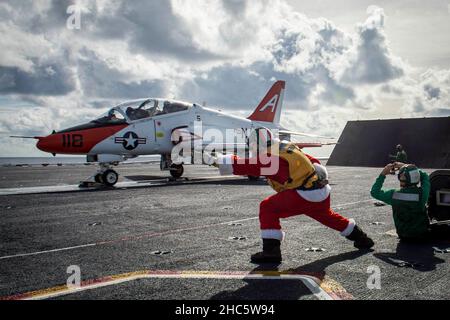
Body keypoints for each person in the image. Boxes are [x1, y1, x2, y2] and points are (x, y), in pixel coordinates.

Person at [205, 128, 374, 263]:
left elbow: (245, 166)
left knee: (268, 207)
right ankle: (363, 239)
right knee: (328, 217)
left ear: (256, 144)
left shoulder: (271, 158)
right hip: (321, 192)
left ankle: (271, 251)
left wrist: (216, 160)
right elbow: (313, 160)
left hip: (301, 195)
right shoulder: (287, 147)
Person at [370, 162, 448, 242]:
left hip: (403, 236)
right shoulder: (422, 194)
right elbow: (424, 177)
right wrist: (407, 167)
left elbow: (374, 192)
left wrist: (383, 173)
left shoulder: (393, 194)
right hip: (421, 234)